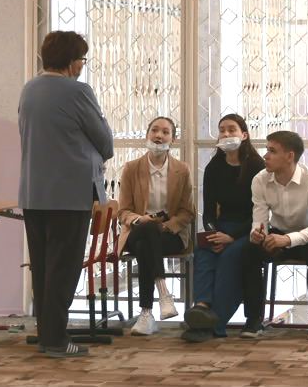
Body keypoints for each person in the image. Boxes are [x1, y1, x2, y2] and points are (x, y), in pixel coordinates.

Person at [18, 31, 113, 358]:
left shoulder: (29, 89)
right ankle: (57, 340)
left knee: (44, 268)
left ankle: (48, 335)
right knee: (65, 268)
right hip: (70, 193)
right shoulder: (78, 91)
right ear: (72, 62)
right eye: (82, 60)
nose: (82, 66)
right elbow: (105, 142)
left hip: (34, 192)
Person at [181, 114, 265, 343]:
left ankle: (215, 321)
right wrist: (214, 234)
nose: (226, 134)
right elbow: (208, 211)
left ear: (244, 135)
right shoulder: (214, 167)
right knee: (203, 250)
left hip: (250, 229)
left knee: (230, 257)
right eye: (222, 130)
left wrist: (231, 237)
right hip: (222, 227)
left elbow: (260, 213)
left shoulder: (257, 167)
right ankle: (202, 306)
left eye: (232, 129)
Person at [240, 131, 308, 340]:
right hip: (277, 234)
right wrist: (258, 234)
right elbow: (259, 220)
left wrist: (289, 240)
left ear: (290, 156)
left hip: (307, 236)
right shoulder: (260, 180)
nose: (265, 156)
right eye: (267, 150)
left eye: (272, 151)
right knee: (249, 250)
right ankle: (253, 319)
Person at [118, 116, 194, 336]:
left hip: (170, 233)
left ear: (173, 139)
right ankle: (163, 293)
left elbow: (187, 212)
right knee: (147, 229)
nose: (159, 136)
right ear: (147, 134)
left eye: (165, 132)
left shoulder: (182, 170)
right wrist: (139, 220)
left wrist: (166, 226)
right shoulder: (132, 168)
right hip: (137, 229)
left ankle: (146, 314)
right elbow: (123, 211)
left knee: (145, 245)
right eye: (154, 130)